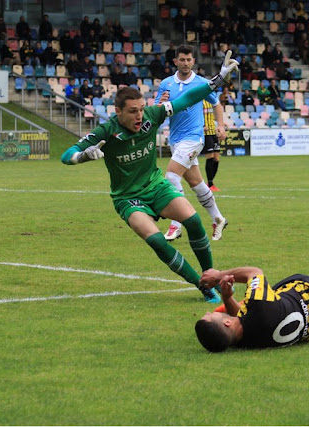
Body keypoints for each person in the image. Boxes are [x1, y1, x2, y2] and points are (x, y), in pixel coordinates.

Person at [60, 55, 239, 303]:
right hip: (128, 198)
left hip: (156, 186)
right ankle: (203, 286)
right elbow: (65, 155)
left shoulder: (152, 116)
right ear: (118, 112)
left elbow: (187, 98)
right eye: (133, 112)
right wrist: (81, 157)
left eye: (142, 109)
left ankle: (212, 277)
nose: (139, 116)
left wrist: (217, 80)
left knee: (194, 222)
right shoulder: (106, 131)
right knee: (157, 241)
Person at [155, 45, 229, 242]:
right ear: (175, 61)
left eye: (189, 60)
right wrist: (160, 104)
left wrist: (220, 125)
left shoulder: (201, 83)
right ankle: (218, 218)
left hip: (194, 138)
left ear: (193, 61)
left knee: (171, 176)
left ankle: (176, 225)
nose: (186, 63)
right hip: (176, 139)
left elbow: (216, 104)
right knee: (196, 183)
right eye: (182, 60)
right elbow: (156, 112)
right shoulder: (166, 84)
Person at [195, 266, 309, 352]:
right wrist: (218, 276)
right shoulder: (259, 304)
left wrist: (227, 297)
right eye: (209, 315)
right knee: (263, 293)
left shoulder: (241, 341)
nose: (208, 312)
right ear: (227, 322)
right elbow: (254, 271)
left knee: (260, 309)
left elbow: (243, 318)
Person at [201, 100, 222, 192]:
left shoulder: (211, 100)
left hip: (213, 130)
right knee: (210, 156)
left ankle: (210, 182)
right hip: (205, 133)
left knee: (217, 158)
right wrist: (201, 126)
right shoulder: (199, 101)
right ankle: (210, 184)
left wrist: (221, 123)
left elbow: (215, 114)